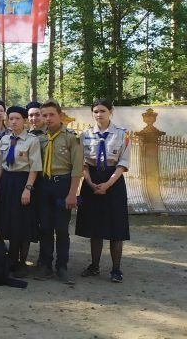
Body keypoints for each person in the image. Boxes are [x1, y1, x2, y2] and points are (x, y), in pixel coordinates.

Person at [76, 98, 130, 283]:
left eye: (102, 111)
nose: (99, 114)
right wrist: (91, 184)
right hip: (92, 180)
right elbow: (82, 162)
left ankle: (116, 269)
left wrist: (107, 184)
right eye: (96, 111)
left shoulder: (122, 134)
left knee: (116, 228)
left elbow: (123, 163)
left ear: (110, 112)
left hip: (113, 182)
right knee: (94, 227)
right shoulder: (85, 135)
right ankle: (94, 266)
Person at [34, 100, 83, 283]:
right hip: (44, 186)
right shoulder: (39, 138)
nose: (47, 118)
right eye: (44, 115)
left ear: (60, 115)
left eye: (51, 114)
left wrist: (72, 193)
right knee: (45, 227)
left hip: (63, 185)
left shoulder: (71, 138)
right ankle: (45, 265)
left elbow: (77, 168)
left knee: (61, 228)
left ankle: (62, 266)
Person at [0, 106, 42, 278]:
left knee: (23, 222)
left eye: (17, 119)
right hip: (6, 182)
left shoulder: (31, 140)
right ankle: (12, 260)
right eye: (11, 119)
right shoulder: (5, 139)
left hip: (23, 182)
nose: (13, 122)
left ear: (24, 121)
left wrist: (27, 189)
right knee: (9, 220)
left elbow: (35, 167)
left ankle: (22, 262)